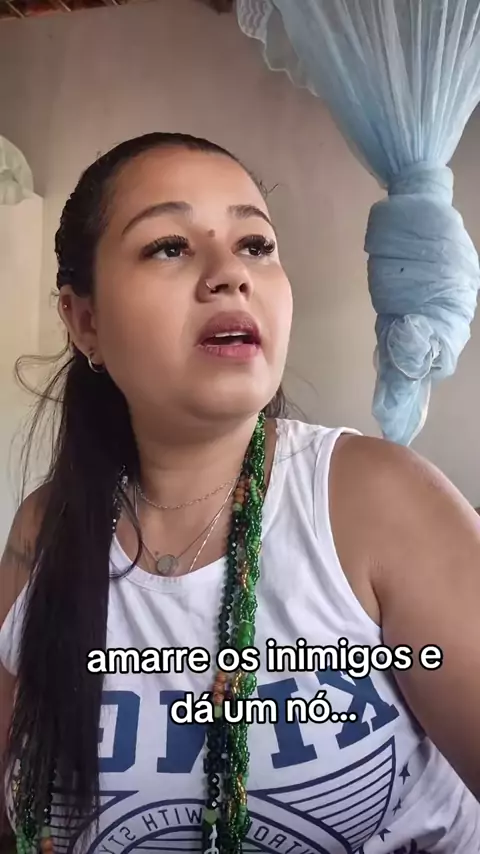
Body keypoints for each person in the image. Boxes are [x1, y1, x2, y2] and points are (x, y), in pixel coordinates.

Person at [0, 132, 479, 854]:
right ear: (85, 320)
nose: (230, 274)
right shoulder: (44, 530)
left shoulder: (378, 501)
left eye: (256, 245)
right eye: (169, 246)